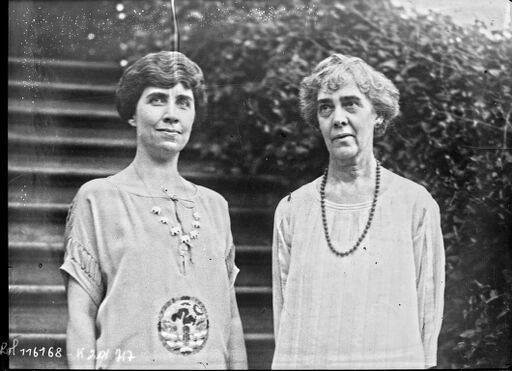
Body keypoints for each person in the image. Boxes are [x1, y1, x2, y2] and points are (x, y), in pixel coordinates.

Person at [60, 51, 248, 369]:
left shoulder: (215, 206)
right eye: (158, 100)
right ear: (133, 112)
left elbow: (231, 320)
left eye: (183, 103)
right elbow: (80, 316)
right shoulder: (98, 198)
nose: (172, 115)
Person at [271, 54, 445, 369]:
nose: (337, 118)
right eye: (326, 107)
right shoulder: (292, 210)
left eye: (351, 104)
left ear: (377, 115)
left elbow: (427, 314)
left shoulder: (415, 205)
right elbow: (285, 322)